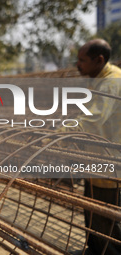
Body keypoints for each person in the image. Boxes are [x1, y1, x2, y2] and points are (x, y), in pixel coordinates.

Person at [63, 39, 121, 255]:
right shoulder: (101, 78)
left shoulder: (111, 82)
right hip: (96, 160)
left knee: (106, 217)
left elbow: (91, 120)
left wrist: (57, 135)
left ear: (99, 60)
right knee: (92, 211)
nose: (78, 65)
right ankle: (95, 249)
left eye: (82, 60)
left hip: (110, 162)